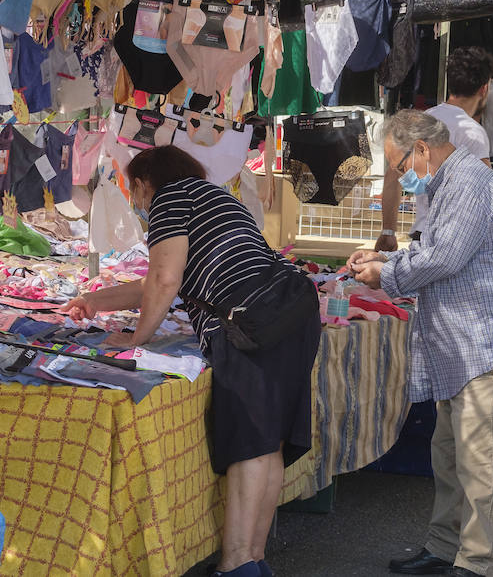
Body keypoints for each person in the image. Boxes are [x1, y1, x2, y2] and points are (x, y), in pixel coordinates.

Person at [66, 145, 320, 577]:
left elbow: (165, 279)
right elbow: (160, 280)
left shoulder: (169, 199)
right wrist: (95, 301)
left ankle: (237, 564)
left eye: (136, 192)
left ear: (146, 183)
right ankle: (253, 560)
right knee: (270, 443)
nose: (137, 202)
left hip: (250, 325)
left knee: (251, 445)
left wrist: (135, 339)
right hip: (292, 311)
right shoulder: (212, 195)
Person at [349, 110, 493, 577]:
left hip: (486, 339)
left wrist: (385, 272)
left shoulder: (468, 181)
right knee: (452, 455)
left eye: (399, 167)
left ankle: (476, 563)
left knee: (479, 462)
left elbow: (448, 256)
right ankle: (446, 547)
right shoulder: (448, 182)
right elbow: (439, 249)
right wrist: (388, 255)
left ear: (422, 150)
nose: (400, 176)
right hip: (464, 341)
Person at [377, 46, 493, 255]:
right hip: (451, 240)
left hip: (422, 234)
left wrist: (388, 230)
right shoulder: (472, 133)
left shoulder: (421, 119)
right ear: (485, 88)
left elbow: (392, 178)